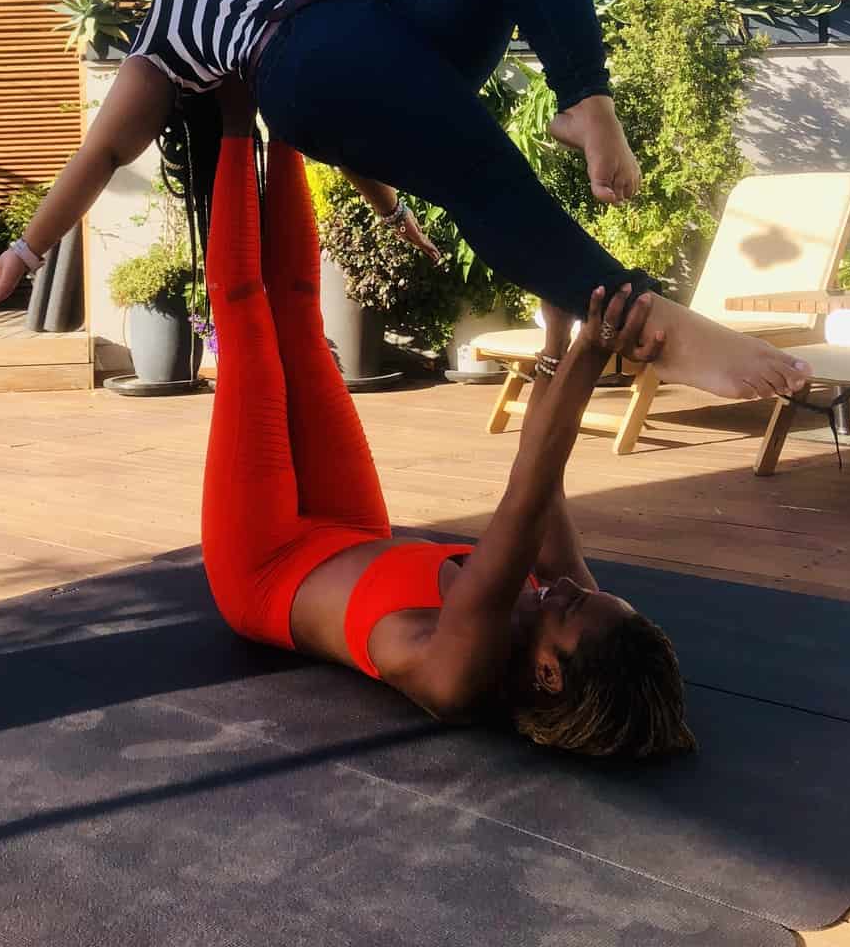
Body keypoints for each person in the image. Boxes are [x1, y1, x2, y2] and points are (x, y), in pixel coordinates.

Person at [0, 0, 811, 408]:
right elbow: (100, 153)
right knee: (484, 172)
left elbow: (367, 116)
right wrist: (25, 253)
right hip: (307, 53)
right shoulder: (162, 44)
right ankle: (646, 320)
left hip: (389, 23)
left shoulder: (279, 8)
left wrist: (393, 209)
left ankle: (585, 100)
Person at [201, 118, 695, 757]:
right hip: (354, 530)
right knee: (299, 318)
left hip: (266, 565)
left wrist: (593, 347)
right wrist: (554, 340)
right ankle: (287, 105)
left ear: (548, 673)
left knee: (248, 317)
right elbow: (544, 483)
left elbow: (525, 493)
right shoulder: (565, 609)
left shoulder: (460, 678)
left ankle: (237, 109)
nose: (574, 589)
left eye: (572, 609)